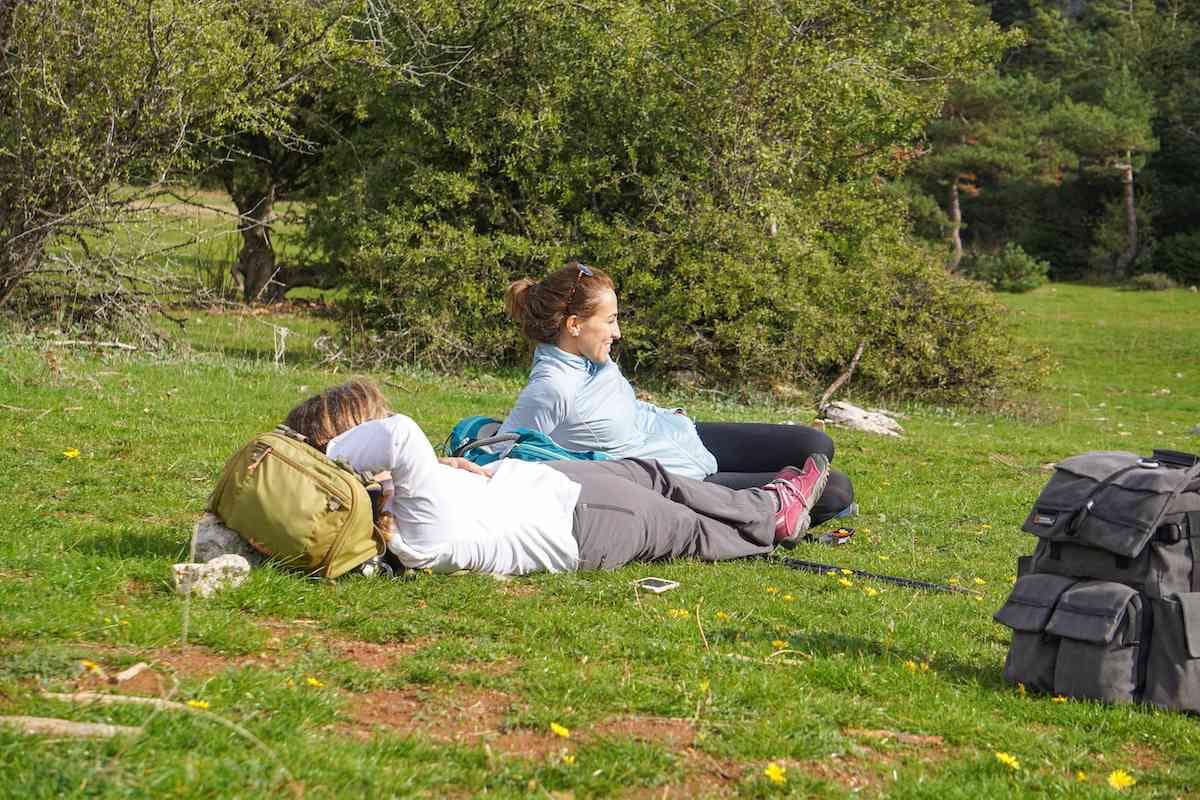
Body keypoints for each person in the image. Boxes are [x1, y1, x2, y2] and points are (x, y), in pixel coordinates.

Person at [284, 380, 830, 576]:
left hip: (541, 482)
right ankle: (769, 514)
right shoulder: (411, 531)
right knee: (684, 528)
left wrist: (455, 473)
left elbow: (401, 449)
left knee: (653, 474)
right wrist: (337, 455)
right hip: (580, 523)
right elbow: (400, 435)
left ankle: (769, 505)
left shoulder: (403, 504)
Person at [499, 261, 855, 529]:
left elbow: (619, 408)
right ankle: (773, 505)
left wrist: (669, 414)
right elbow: (498, 452)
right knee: (836, 490)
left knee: (814, 444)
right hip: (681, 481)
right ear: (574, 325)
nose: (618, 332)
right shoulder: (553, 387)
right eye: (609, 321)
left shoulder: (592, 358)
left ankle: (787, 490)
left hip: (682, 436)